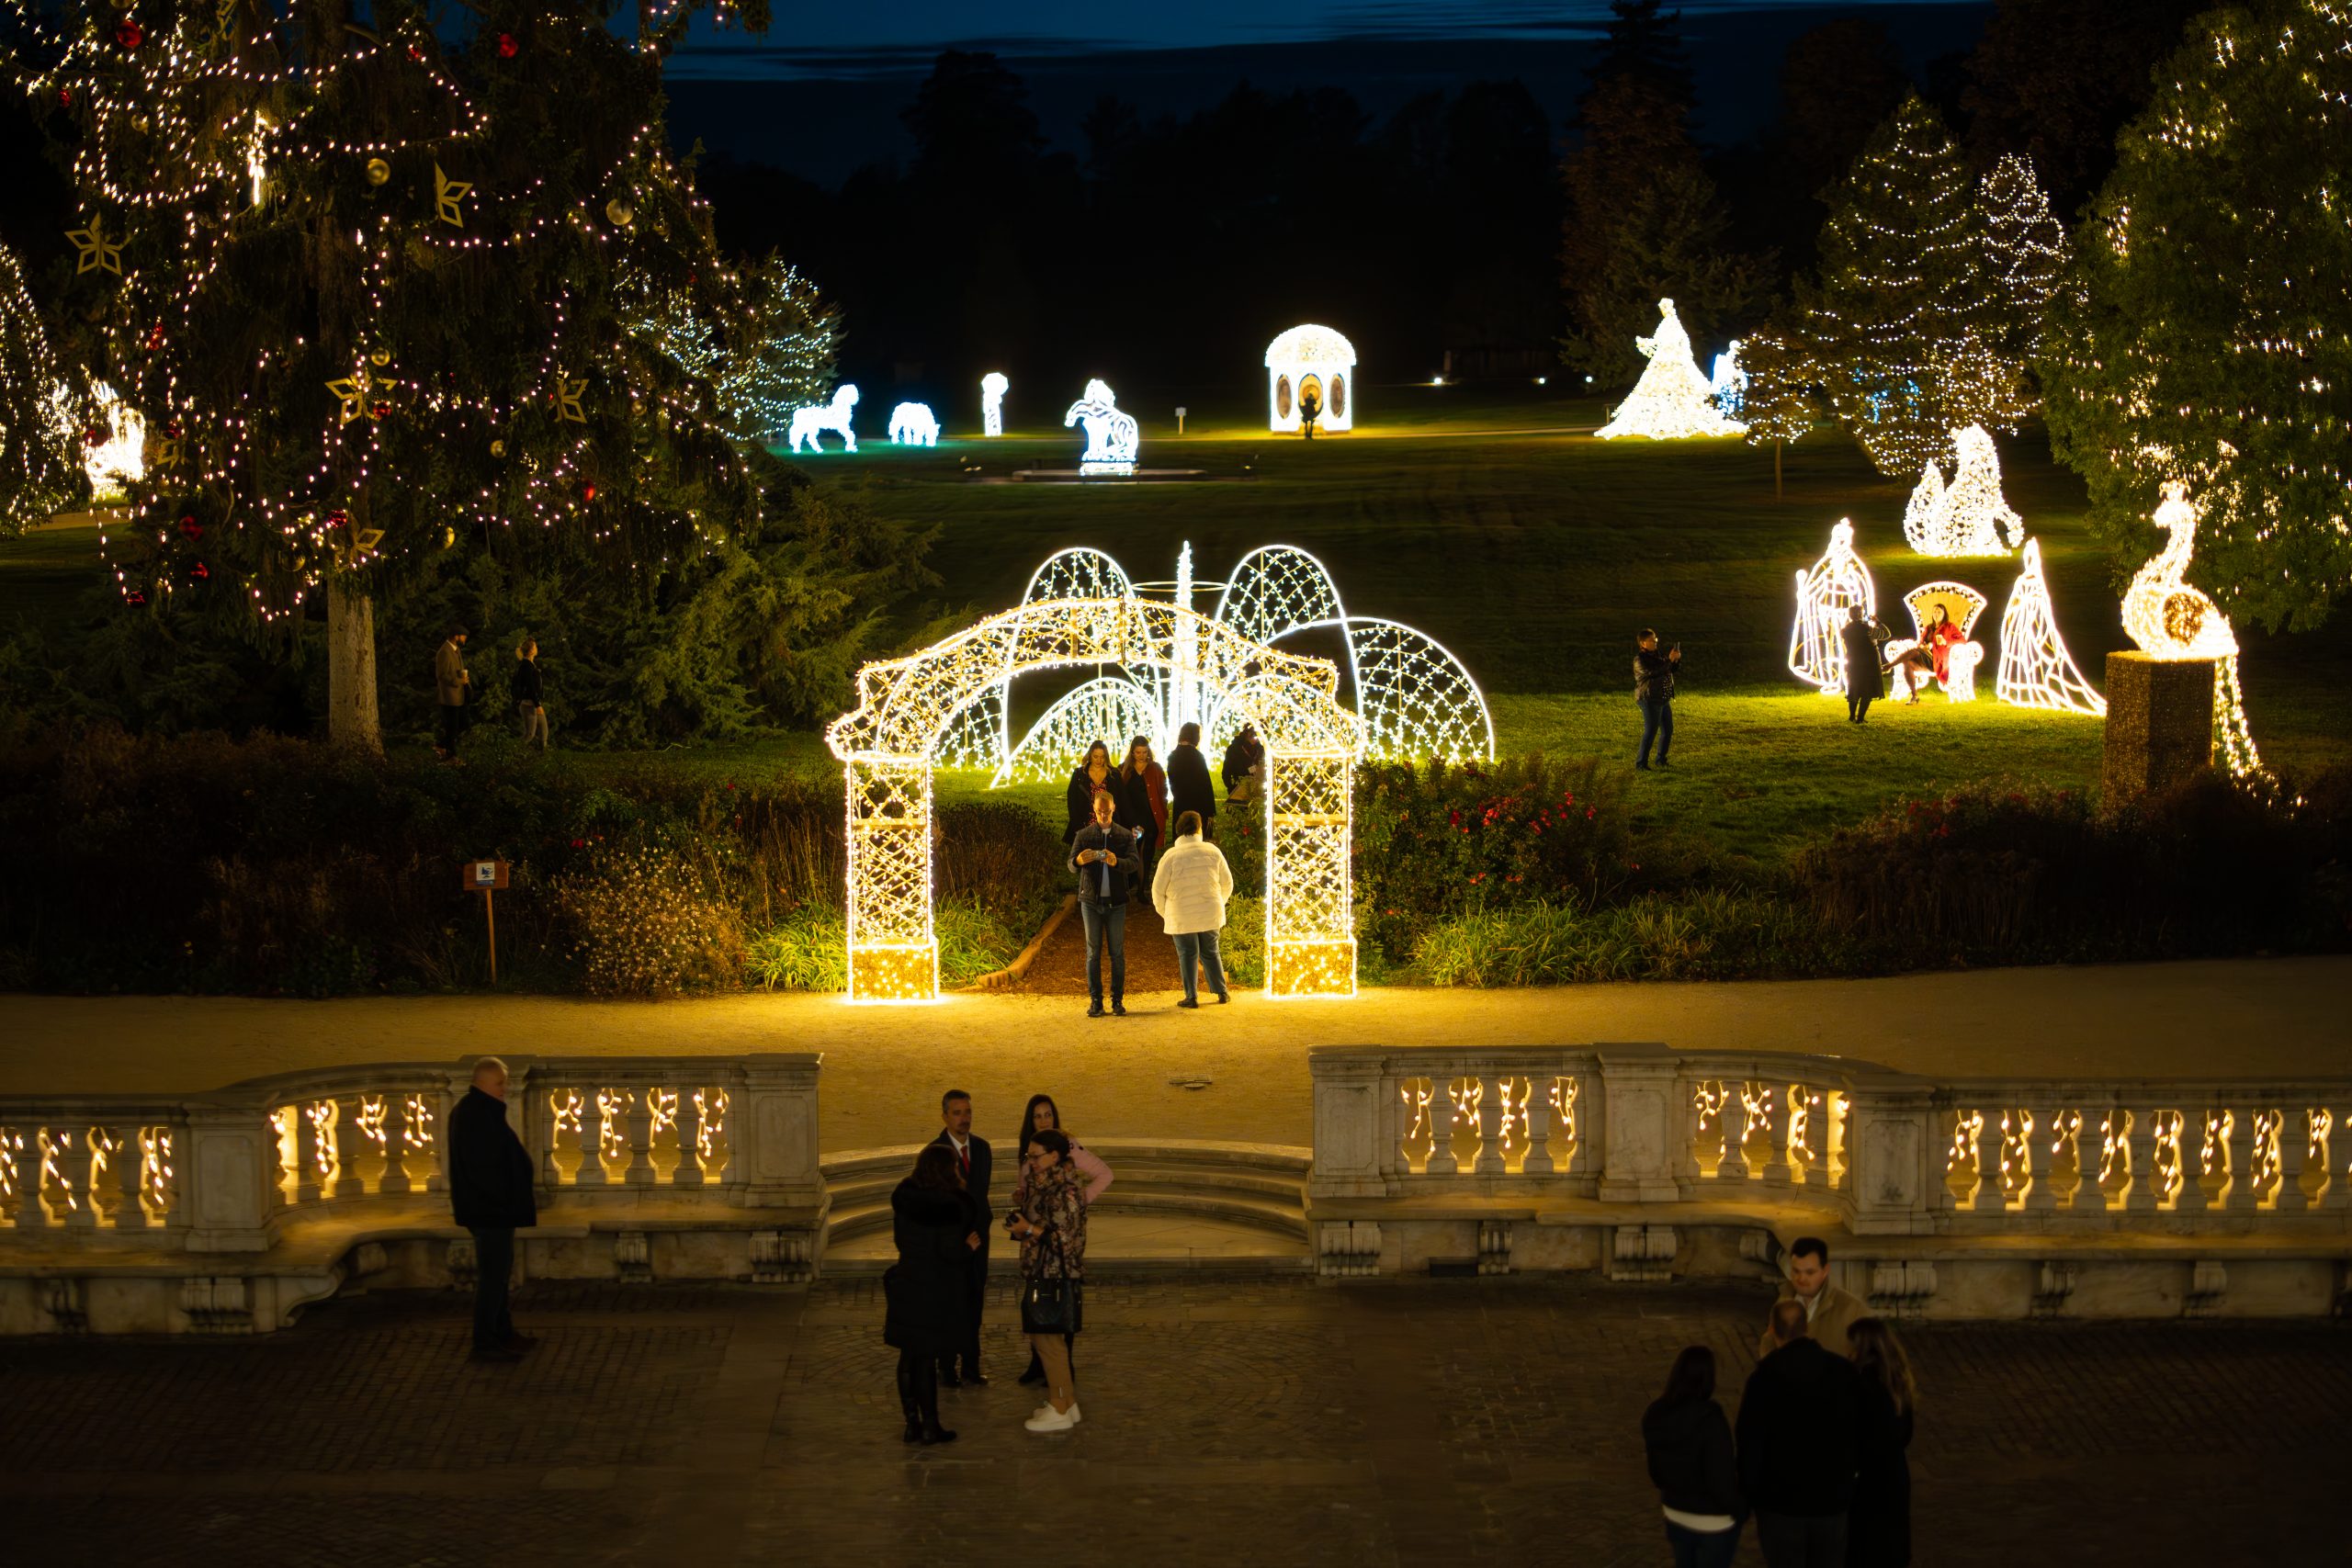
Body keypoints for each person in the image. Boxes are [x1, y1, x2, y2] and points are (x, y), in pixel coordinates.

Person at [1737, 1298, 1861, 1566]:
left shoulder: (1763, 1379)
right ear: (1808, 1327)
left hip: (1780, 1505)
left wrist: (1747, 1497)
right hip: (1832, 1499)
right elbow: (1858, 1429)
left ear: (1772, 1329)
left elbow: (1750, 1443)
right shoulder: (1842, 1372)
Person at [1011, 1094, 1115, 1387]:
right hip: (1034, 1242)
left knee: (1059, 1301)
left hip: (1055, 1244)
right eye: (1037, 1116)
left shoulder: (1066, 1147)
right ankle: (1039, 1363)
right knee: (1036, 1302)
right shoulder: (1031, 1150)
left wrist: (1081, 1201)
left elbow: (1104, 1174)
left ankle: (1061, 1374)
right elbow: (1028, 1188)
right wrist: (1021, 1197)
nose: (1044, 1120)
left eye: (1048, 1115)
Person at [883, 1143, 981, 1446]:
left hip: (906, 1284)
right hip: (933, 1290)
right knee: (925, 1359)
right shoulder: (947, 1206)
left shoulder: (906, 1198)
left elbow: (901, 1241)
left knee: (908, 1358)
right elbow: (949, 1252)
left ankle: (911, 1423)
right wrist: (969, 1247)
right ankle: (930, 1426)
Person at [447, 1056, 537, 1363]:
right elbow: (483, 1171)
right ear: (483, 1082)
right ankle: (486, 1340)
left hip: (491, 1209)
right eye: (500, 1083)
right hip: (491, 1211)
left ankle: (501, 1332)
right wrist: (506, 1200)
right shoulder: (476, 1115)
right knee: (493, 1278)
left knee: (498, 1275)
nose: (505, 1088)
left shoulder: (476, 1111)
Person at [1006, 1128, 1088, 1431]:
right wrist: (1023, 1229)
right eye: (1029, 1156)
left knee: (1050, 1342)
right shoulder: (1042, 1186)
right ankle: (1067, 1403)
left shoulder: (1065, 1190)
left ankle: (1059, 1405)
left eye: (1036, 1155)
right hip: (1040, 1269)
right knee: (1045, 1341)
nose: (1031, 1161)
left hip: (1054, 1275)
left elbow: (1067, 1241)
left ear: (1054, 1156)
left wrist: (1029, 1229)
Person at [1643, 1345, 1746, 1568]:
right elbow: (1720, 1477)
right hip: (1712, 1521)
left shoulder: (1656, 1413)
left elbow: (1656, 1471)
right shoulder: (1710, 1419)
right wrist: (1740, 1509)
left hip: (1675, 1511)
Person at [927, 1089, 991, 1387]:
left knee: (974, 1304)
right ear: (944, 1116)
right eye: (957, 1113)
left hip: (979, 1242)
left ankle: (971, 1366)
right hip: (952, 1245)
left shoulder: (983, 1148)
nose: (963, 1119)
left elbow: (980, 1194)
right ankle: (947, 1368)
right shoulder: (935, 1153)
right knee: (950, 1307)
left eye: (967, 1112)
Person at [1845, 1317, 1917, 1568]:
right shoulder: (1897, 1381)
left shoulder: (1860, 1383)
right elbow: (1905, 1433)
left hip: (1867, 1483)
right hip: (1894, 1476)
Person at [1152, 809, 1234, 1008]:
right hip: (1210, 912)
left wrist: (1167, 913)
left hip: (1181, 914)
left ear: (1179, 830)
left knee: (1187, 954)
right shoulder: (1213, 852)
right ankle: (1221, 991)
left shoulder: (1171, 856)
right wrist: (1217, 903)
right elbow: (1227, 883)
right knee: (1211, 951)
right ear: (1199, 828)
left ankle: (1191, 996)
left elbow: (1157, 890)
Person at [1069, 788, 1137, 1017]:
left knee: (1117, 953)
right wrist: (1078, 860)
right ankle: (1096, 1001)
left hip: (1116, 902)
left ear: (1113, 809)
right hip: (1091, 901)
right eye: (1100, 812)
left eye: (1107, 812)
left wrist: (1116, 861)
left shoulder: (1125, 836)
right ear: (1095, 811)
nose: (1104, 816)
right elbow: (1070, 864)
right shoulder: (1084, 835)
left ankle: (1117, 1000)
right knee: (1092, 952)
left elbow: (1134, 864)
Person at [1755, 1236, 1867, 1359]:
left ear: (1825, 1271)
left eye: (1810, 1272)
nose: (1801, 1279)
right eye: (1796, 1271)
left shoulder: (1852, 1310)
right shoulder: (1785, 1300)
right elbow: (1769, 1343)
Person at [1115, 736, 1167, 885]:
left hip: (1150, 819)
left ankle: (1142, 886)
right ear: (1132, 753)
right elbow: (1120, 795)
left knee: (1148, 853)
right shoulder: (1124, 769)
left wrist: (1162, 810)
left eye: (1145, 752)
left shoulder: (1155, 769)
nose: (1142, 756)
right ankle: (1131, 880)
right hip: (1133, 821)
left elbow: (1162, 791)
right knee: (1134, 850)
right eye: (1138, 752)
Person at [1634, 628, 1680, 771]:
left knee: (1668, 730)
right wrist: (1669, 661)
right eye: (1651, 640)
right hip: (1649, 698)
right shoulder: (1640, 659)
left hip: (1662, 697)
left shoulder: (1658, 655)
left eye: (1656, 639)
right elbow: (1653, 672)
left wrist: (1675, 661)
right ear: (1643, 643)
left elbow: (1669, 670)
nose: (1655, 642)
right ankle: (1641, 764)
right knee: (1651, 730)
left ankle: (1661, 759)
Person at [1167, 720, 1217, 840]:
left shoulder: (1173, 756)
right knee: (1197, 836)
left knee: (1182, 836)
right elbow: (1206, 784)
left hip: (1181, 802)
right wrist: (1211, 810)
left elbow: (1172, 782)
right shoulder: (1197, 756)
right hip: (1198, 804)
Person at [1064, 739, 1117, 845]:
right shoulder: (1080, 774)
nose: (1099, 760)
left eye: (1102, 757)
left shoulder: (1113, 775)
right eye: (1095, 757)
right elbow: (1072, 801)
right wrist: (1077, 825)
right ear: (1090, 756)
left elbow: (1122, 800)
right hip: (1085, 823)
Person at [1840, 606, 1884, 724]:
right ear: (1860, 615)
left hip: (1853, 661)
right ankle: (1860, 718)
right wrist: (1878, 622)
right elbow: (1886, 634)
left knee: (1854, 688)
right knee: (1867, 690)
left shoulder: (1845, 630)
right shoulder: (1867, 629)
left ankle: (1851, 716)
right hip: (1869, 662)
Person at [435, 625, 470, 761]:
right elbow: (441, 675)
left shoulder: (456, 650)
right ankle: (451, 755)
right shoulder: (444, 652)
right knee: (452, 727)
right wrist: (459, 681)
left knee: (462, 725)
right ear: (456, 636)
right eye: (463, 636)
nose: (465, 639)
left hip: (458, 696)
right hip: (449, 697)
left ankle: (441, 746)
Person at [514, 638, 548, 752]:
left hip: (535, 702)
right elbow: (530, 686)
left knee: (544, 731)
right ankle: (513, 753)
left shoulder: (531, 664)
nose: (537, 648)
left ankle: (542, 756)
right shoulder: (526, 666)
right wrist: (537, 704)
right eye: (535, 647)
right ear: (531, 651)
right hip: (529, 704)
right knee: (529, 734)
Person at [1920, 603, 1964, 689]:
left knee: (1910, 656)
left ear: (1944, 614)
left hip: (1938, 657)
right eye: (1934, 612)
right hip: (1926, 655)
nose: (1936, 614)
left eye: (1939, 612)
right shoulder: (1929, 628)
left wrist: (1946, 642)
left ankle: (1890, 665)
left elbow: (1962, 640)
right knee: (1910, 657)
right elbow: (1921, 642)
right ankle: (1914, 694)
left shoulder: (1949, 626)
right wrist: (1924, 646)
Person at [1221, 723, 1263, 806]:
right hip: (1238, 792)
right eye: (1256, 735)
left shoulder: (1260, 749)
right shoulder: (1234, 749)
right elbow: (1226, 773)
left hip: (1257, 793)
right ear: (1248, 733)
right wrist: (1232, 788)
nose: (1257, 739)